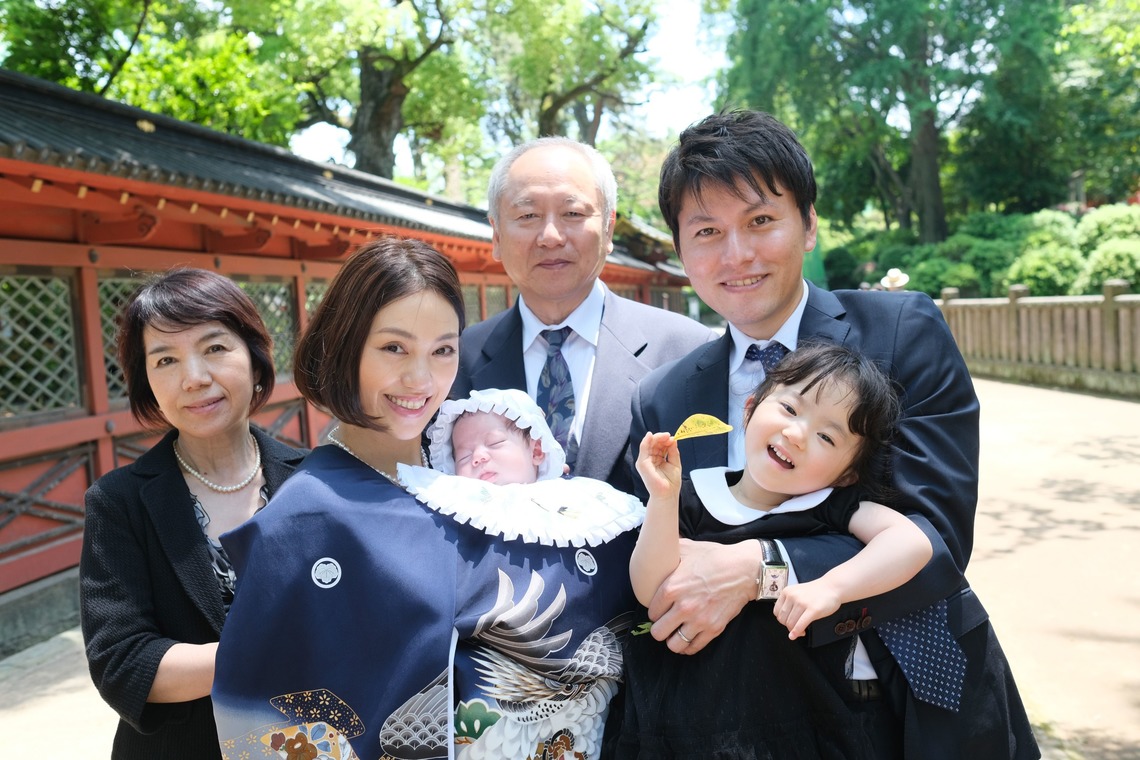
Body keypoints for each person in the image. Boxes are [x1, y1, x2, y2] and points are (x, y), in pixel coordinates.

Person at [629, 110, 1037, 758]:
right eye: (707, 231)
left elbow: (936, 537)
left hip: (894, 700)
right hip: (739, 721)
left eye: (761, 221)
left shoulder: (901, 333)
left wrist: (761, 569)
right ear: (681, 251)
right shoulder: (665, 397)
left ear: (809, 222)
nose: (736, 254)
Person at [211, 238, 470, 760]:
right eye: (394, 348)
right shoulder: (301, 519)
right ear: (345, 345)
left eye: (443, 350)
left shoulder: (471, 480)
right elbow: (259, 725)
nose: (421, 378)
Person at [613, 343, 931, 757]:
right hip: (684, 729)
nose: (796, 435)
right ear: (749, 410)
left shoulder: (829, 508)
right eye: (790, 410)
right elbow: (650, 589)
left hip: (801, 730)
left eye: (826, 436)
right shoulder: (693, 497)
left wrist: (832, 587)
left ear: (848, 472)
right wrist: (662, 498)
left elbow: (912, 543)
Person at [79, 268, 306, 760]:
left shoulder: (315, 482)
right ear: (148, 382)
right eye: (166, 359)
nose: (194, 378)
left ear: (254, 355)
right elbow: (122, 661)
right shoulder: (118, 503)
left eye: (215, 348)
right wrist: (265, 652)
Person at [452, 136, 714, 492]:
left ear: (608, 228)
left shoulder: (689, 351)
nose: (550, 236)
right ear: (496, 235)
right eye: (527, 215)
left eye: (572, 213)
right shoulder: (455, 360)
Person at [399, 387, 644, 758]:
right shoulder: (453, 517)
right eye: (463, 455)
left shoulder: (592, 509)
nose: (478, 457)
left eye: (494, 442)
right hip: (491, 702)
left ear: (537, 449)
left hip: (593, 693)